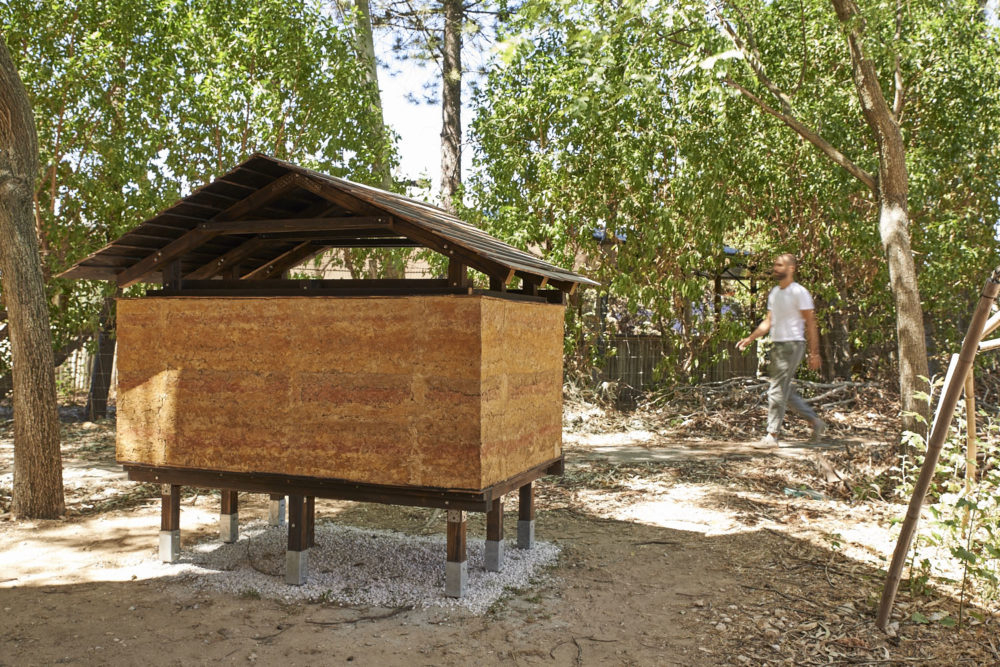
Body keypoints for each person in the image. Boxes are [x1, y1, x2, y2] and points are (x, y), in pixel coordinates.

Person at [737, 254, 826, 448]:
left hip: (793, 344)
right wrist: (750, 338)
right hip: (777, 345)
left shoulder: (799, 292)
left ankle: (772, 435)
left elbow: (811, 323)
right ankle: (815, 422)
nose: (776, 268)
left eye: (780, 265)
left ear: (791, 268)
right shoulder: (775, 293)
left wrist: (814, 352)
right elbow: (768, 321)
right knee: (785, 390)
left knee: (776, 389)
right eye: (775, 265)